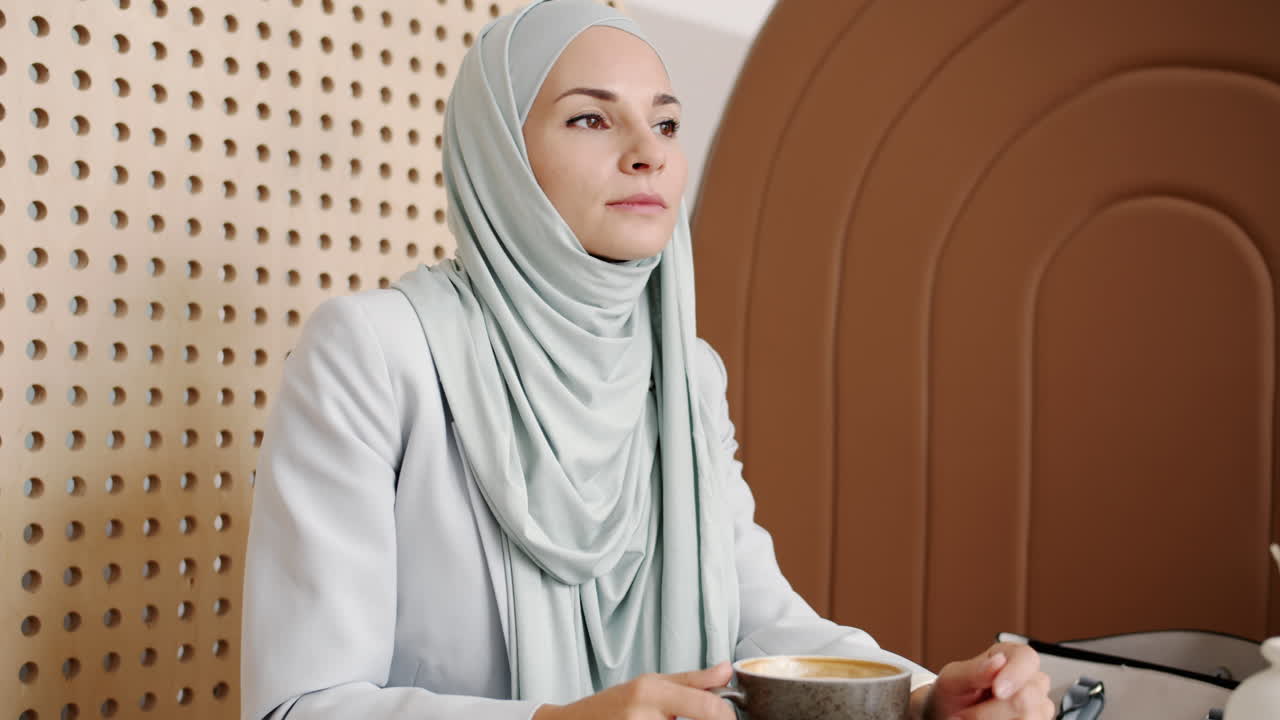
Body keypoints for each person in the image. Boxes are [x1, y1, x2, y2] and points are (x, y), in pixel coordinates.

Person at [240, 2, 1054, 719]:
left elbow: (758, 621)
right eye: (591, 119)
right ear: (499, 155)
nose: (648, 153)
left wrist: (921, 697)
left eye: (665, 123)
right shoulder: (377, 350)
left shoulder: (685, 375)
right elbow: (302, 704)